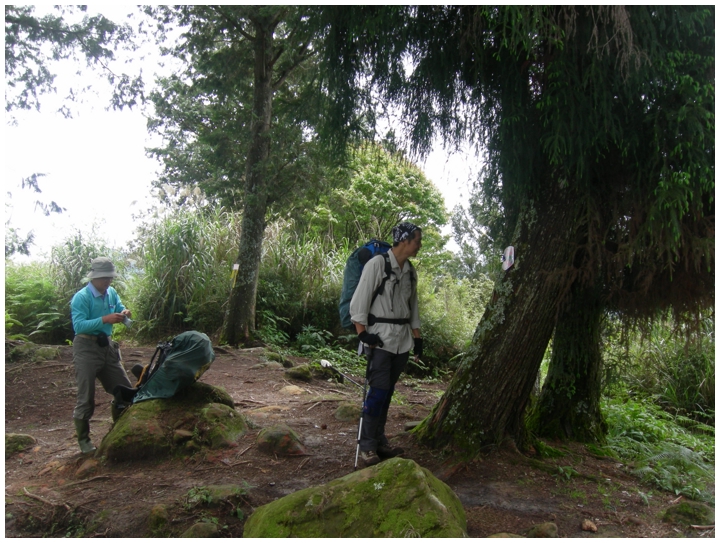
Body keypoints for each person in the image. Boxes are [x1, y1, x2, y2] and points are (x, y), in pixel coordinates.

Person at [349, 222, 423, 467]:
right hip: (379, 339)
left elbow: (413, 309)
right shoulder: (377, 265)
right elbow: (359, 303)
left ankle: (379, 442)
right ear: (404, 240)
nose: (419, 244)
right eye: (416, 240)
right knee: (378, 391)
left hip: (402, 342)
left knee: (387, 392)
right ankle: (367, 446)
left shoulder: (410, 272)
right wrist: (363, 335)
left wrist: (418, 339)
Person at [70, 257, 133, 453]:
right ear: (94, 277)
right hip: (86, 347)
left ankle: (121, 430)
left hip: (107, 347)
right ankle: (84, 441)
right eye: (104, 278)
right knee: (86, 395)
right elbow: (78, 326)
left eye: (110, 278)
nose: (107, 282)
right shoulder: (82, 297)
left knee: (124, 390)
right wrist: (104, 319)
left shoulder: (111, 293)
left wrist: (125, 313)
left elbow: (120, 306)